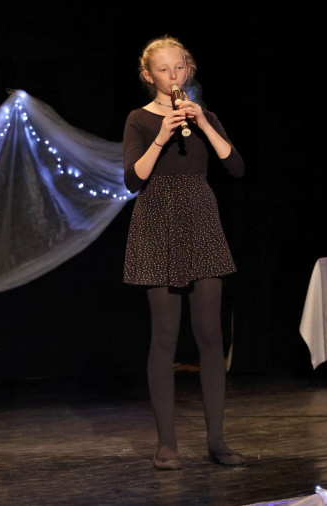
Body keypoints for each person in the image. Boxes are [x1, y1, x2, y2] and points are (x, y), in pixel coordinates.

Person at [122, 35, 245, 471]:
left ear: (188, 69)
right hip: (157, 221)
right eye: (163, 70)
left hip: (200, 218)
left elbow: (235, 167)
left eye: (179, 67)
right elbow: (132, 180)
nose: (173, 76)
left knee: (210, 334)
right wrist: (161, 136)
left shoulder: (206, 116)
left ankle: (217, 442)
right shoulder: (139, 119)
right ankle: (167, 445)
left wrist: (204, 123)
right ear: (148, 75)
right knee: (165, 336)